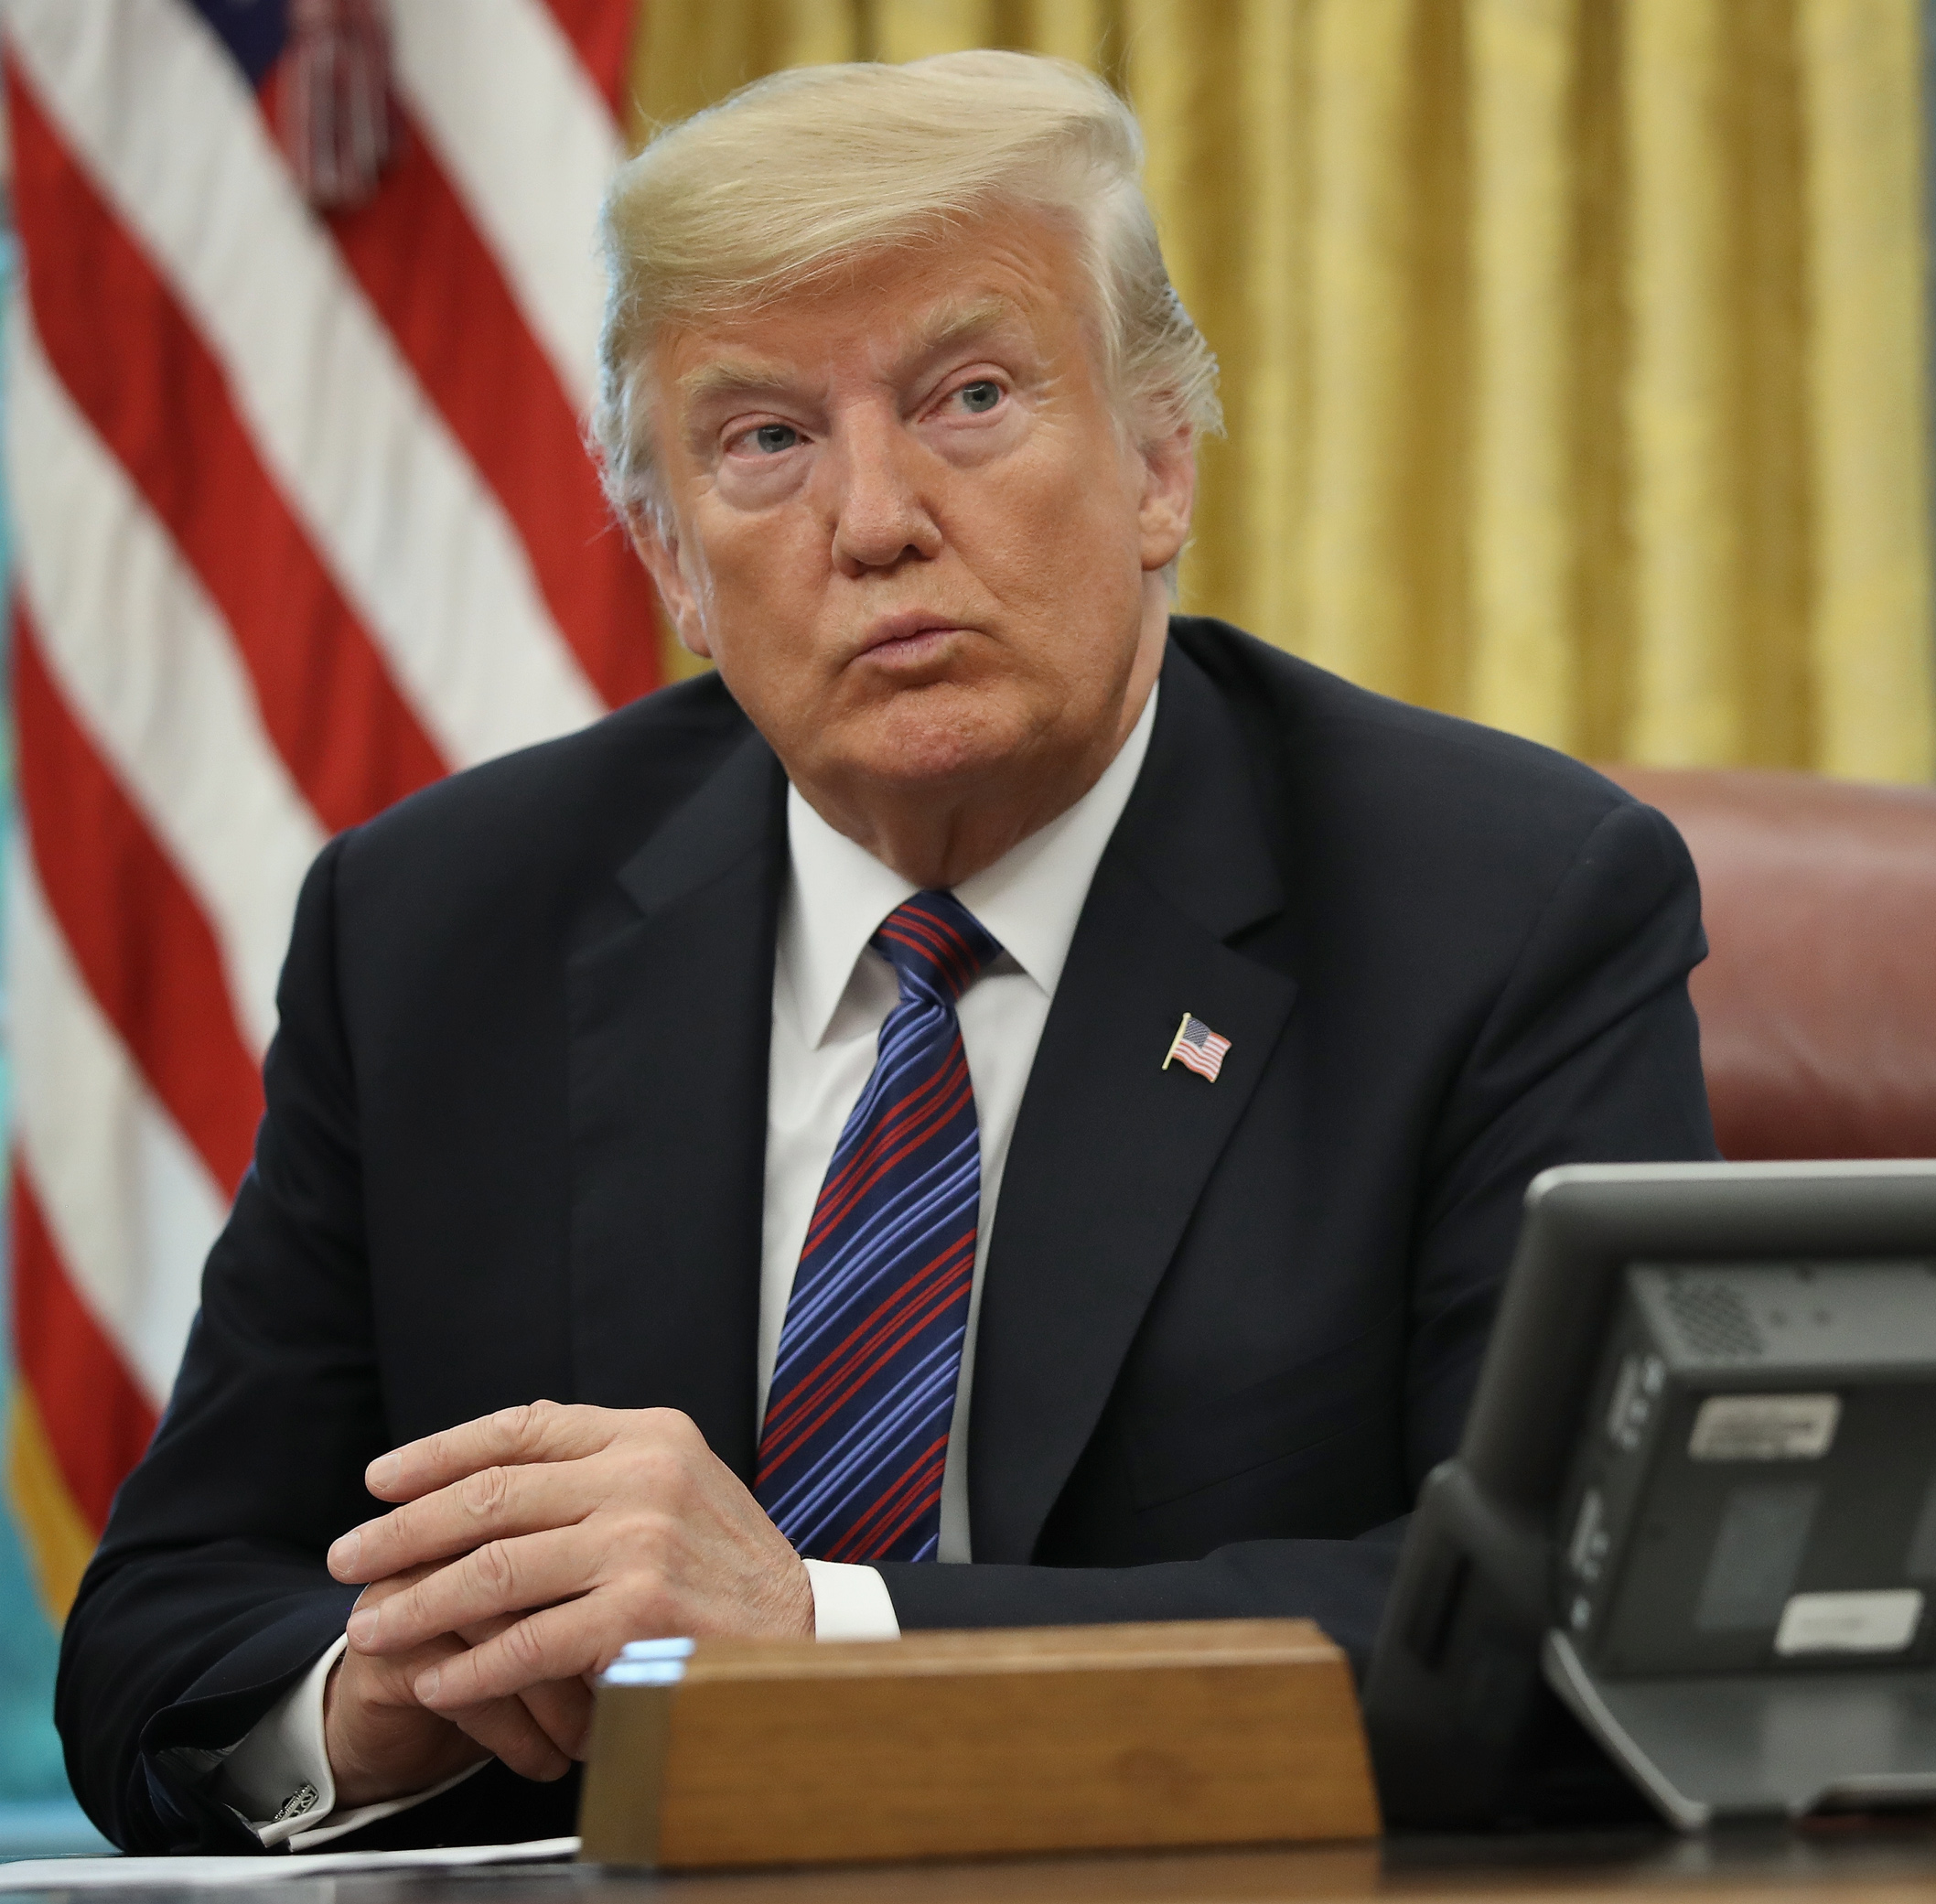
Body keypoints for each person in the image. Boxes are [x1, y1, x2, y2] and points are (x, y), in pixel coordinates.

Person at [60, 52, 1716, 1853]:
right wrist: (384, 1699)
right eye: (765, 440)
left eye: (972, 397)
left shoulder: (1502, 906)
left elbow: (1571, 1625)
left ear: (1161, 462)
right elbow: (162, 1644)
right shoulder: (437, 927)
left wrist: (819, 1637)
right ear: (673, 563)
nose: (875, 522)